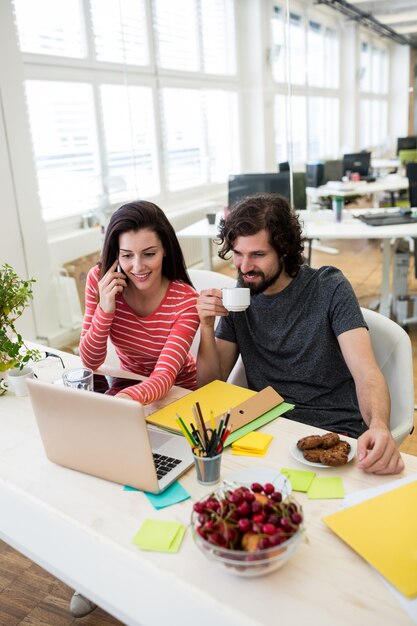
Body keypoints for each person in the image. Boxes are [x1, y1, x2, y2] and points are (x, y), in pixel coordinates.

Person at [196, 192, 404, 476]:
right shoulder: (240, 294)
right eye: (238, 254)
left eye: (257, 255)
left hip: (332, 431)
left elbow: (366, 373)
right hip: (266, 428)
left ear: (284, 249)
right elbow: (211, 384)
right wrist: (206, 327)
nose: (244, 267)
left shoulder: (329, 287)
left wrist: (379, 425)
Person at [71, 201, 199, 618]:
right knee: (100, 478)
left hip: (179, 394)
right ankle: (92, 573)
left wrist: (120, 406)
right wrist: (106, 308)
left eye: (149, 254)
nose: (138, 266)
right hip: (126, 387)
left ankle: (163, 575)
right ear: (115, 254)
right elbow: (89, 360)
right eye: (126, 255)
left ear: (166, 251)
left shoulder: (185, 300)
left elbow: (164, 378)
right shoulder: (100, 280)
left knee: (155, 483)